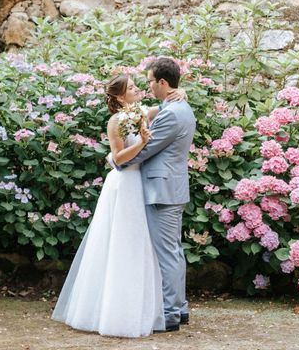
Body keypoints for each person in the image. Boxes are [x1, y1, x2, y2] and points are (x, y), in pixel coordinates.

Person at [51, 73, 185, 338]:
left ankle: (141, 307)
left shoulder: (141, 113)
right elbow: (118, 157)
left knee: (140, 244)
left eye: (137, 85)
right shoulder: (116, 121)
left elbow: (167, 107)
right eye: (132, 88)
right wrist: (144, 143)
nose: (138, 89)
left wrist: (181, 94)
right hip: (125, 184)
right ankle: (115, 312)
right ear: (121, 96)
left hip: (141, 185)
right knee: (120, 244)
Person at [112, 57, 196, 332]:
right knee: (173, 251)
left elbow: (147, 149)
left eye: (149, 81)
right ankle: (179, 307)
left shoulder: (172, 113)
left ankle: (171, 313)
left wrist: (114, 161)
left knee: (167, 254)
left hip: (162, 190)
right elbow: (153, 112)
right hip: (169, 188)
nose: (147, 87)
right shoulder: (176, 107)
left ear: (162, 82)